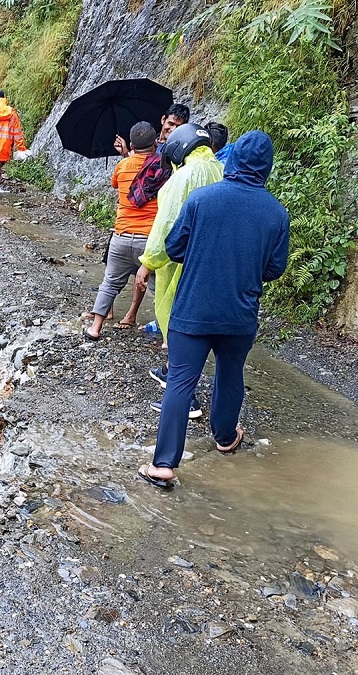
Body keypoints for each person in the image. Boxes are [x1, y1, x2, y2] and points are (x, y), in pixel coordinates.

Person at [138, 131, 290, 489]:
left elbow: (174, 248)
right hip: (239, 313)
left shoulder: (201, 200)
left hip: (192, 309)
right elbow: (275, 269)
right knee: (231, 373)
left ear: (233, 159)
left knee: (180, 380)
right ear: (266, 167)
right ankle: (225, 437)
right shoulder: (276, 213)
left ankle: (163, 465)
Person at [135, 123, 223, 415]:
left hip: (180, 262)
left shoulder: (183, 177)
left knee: (176, 322)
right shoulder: (220, 170)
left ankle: (186, 398)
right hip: (212, 262)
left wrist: (148, 263)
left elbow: (166, 225)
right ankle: (176, 378)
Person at [84, 121, 161, 340]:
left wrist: (127, 157)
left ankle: (95, 328)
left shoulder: (123, 166)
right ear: (155, 141)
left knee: (109, 283)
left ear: (132, 144)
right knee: (159, 289)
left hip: (121, 236)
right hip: (149, 240)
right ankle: (168, 339)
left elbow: (116, 184)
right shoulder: (161, 168)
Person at [114, 104, 190, 157]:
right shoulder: (148, 141)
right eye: (171, 124)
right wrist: (125, 153)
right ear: (163, 119)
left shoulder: (179, 149)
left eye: (178, 126)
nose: (173, 129)